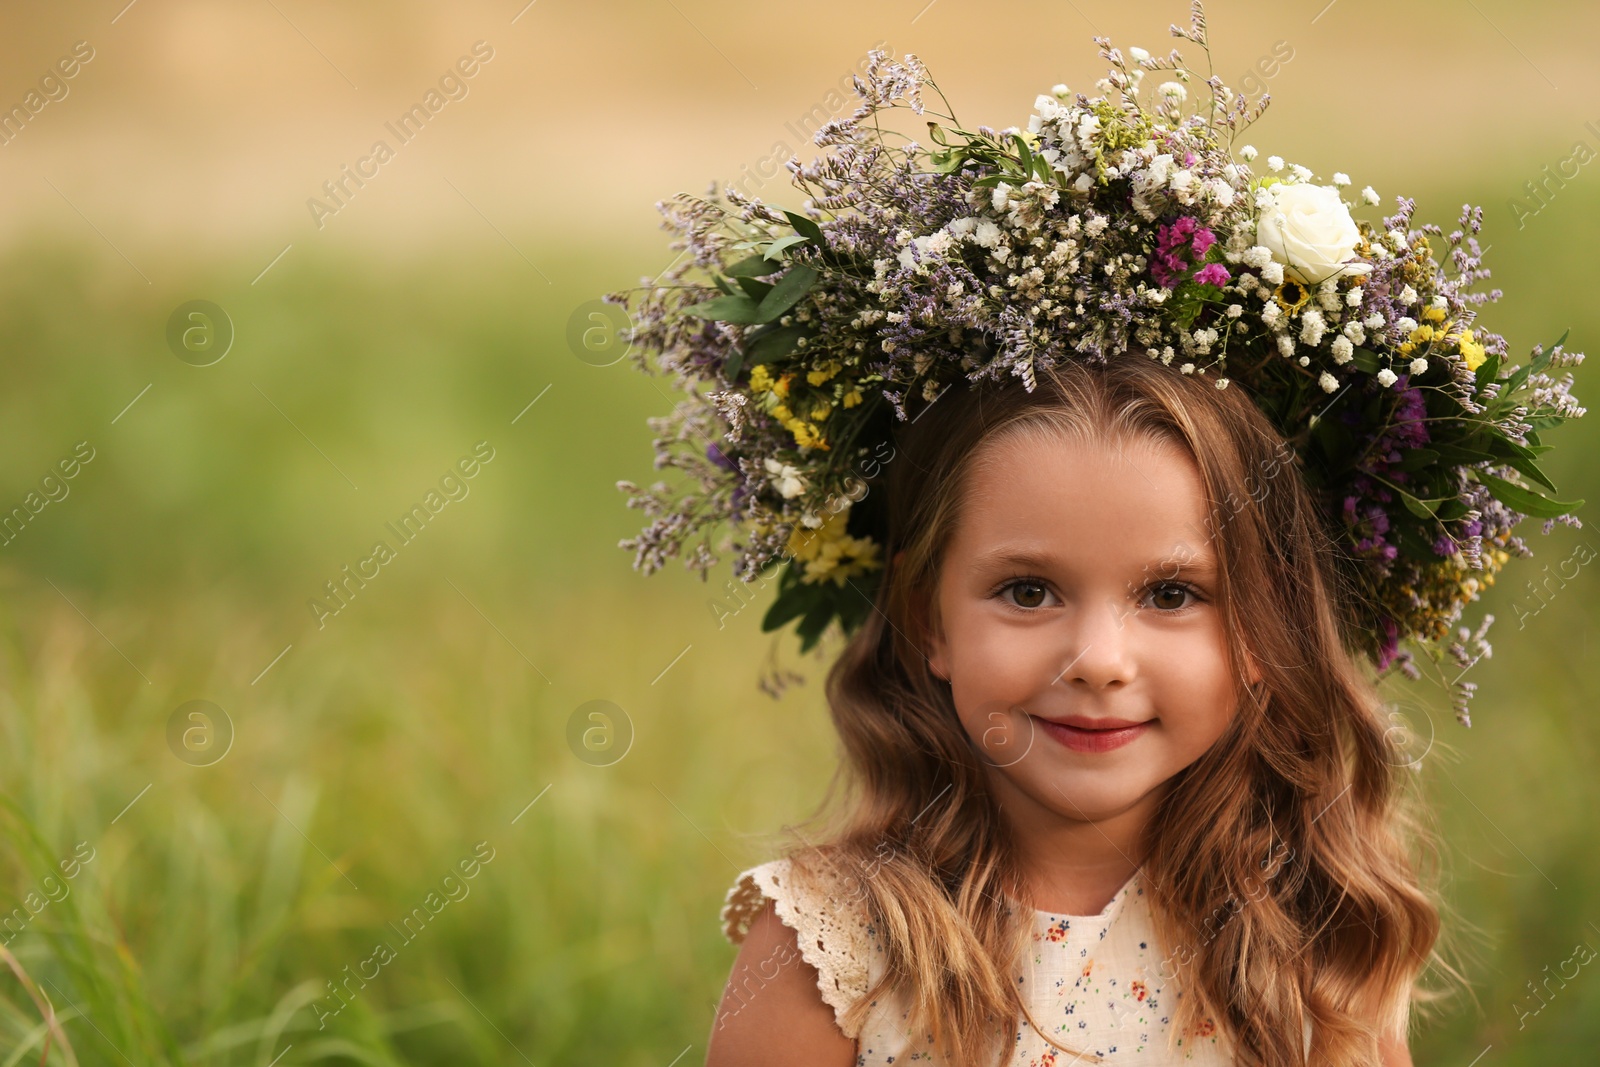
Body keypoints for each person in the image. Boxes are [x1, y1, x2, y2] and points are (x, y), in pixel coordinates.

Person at [610, 4, 1583, 1063]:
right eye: (1027, 590)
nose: (1098, 660)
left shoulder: (1314, 952)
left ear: (1265, 623)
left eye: (1171, 593)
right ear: (922, 612)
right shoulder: (830, 953)